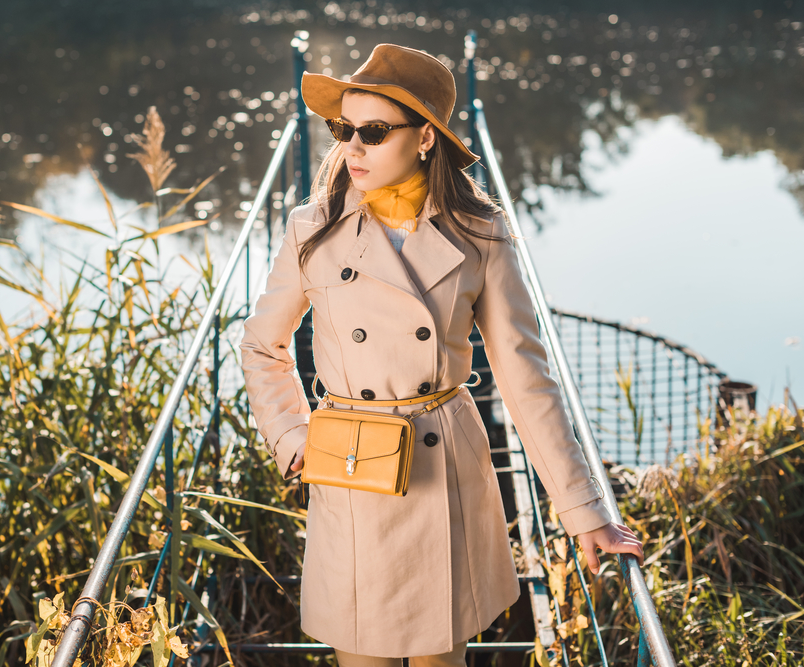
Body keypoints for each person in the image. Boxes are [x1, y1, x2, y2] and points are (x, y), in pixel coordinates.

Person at [239, 43, 644, 667]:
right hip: (353, 463)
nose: (353, 148)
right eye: (342, 129)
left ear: (426, 137)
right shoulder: (311, 226)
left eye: (373, 131)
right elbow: (262, 345)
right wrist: (292, 437)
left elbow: (524, 377)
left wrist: (583, 511)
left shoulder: (481, 232)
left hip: (444, 464)